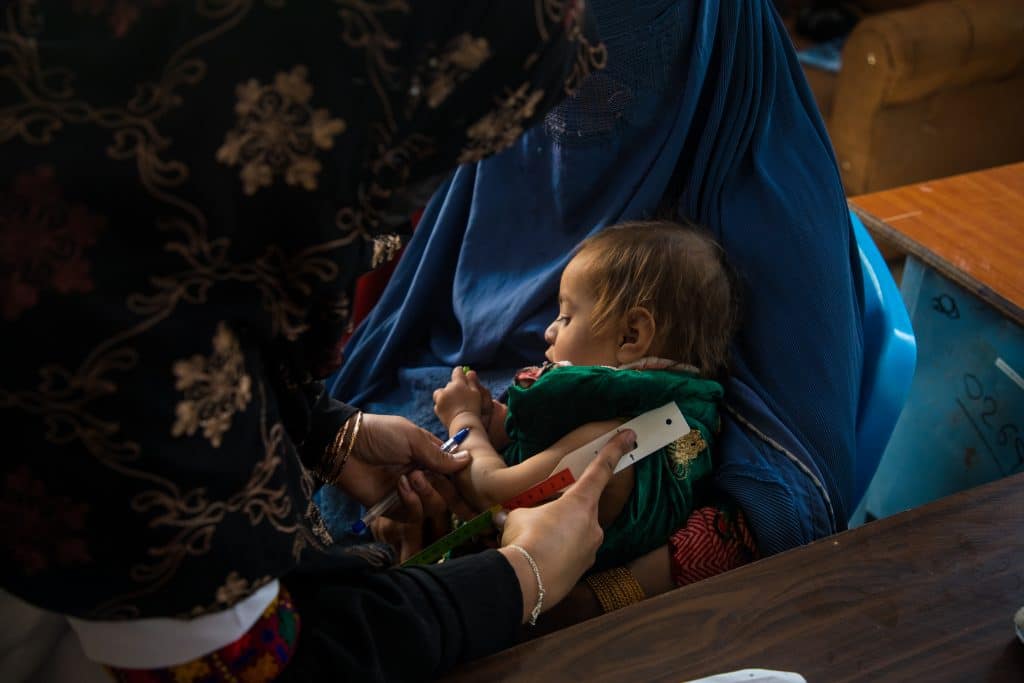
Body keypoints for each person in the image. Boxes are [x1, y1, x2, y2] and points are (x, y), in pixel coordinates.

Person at [0, 2, 633, 680]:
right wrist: (524, 573)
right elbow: (250, 666)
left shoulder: (126, 145)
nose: (381, 232)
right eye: (389, 175)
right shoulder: (106, 325)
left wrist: (324, 431)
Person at [330, 0, 862, 619]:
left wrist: (555, 593)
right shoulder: (499, 128)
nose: (569, 123)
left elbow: (776, 506)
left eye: (604, 90)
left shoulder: (762, 213)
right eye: (556, 83)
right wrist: (343, 441)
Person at [431, 221, 738, 570]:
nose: (549, 331)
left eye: (566, 316)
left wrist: (464, 419)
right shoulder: (679, 420)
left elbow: (493, 493)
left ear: (630, 337)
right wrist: (501, 428)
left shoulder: (615, 441)